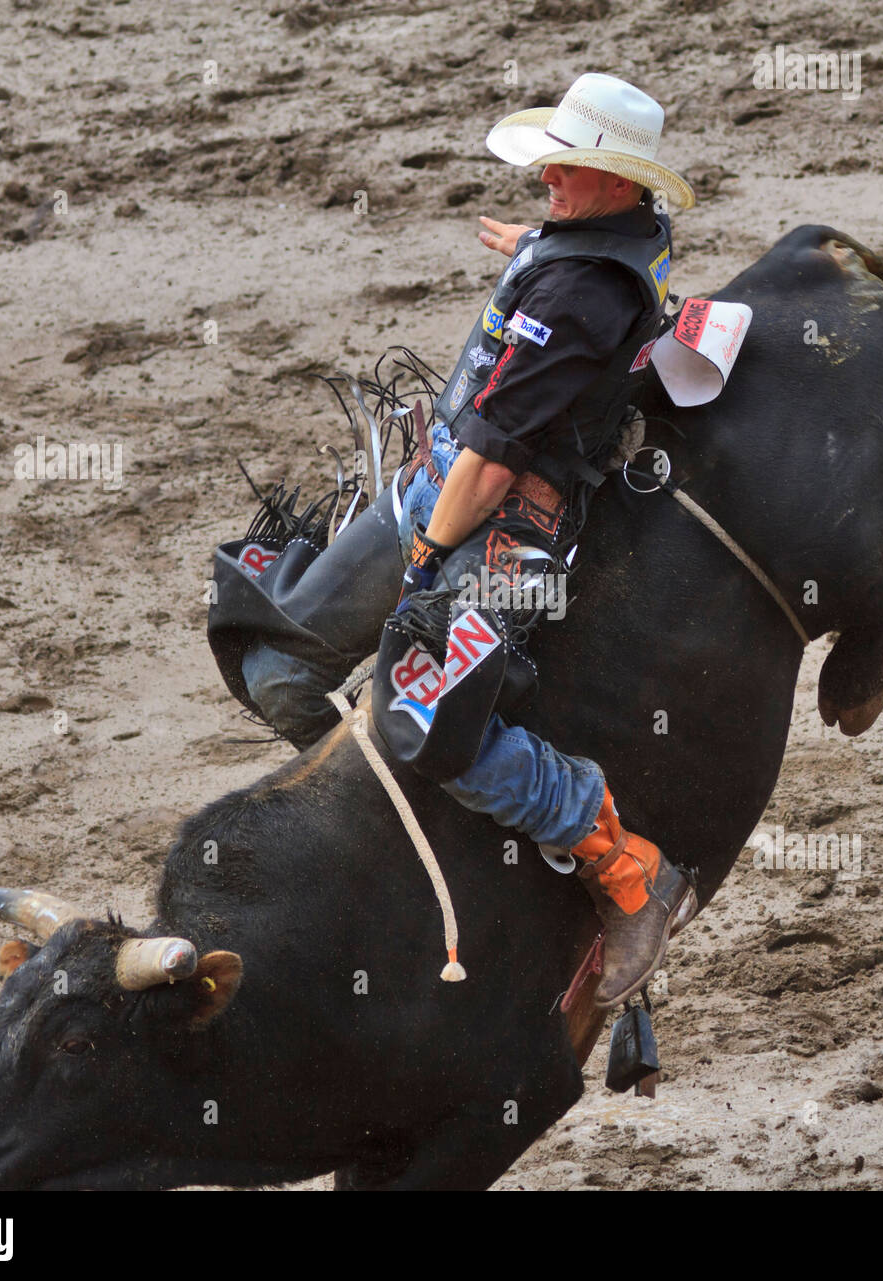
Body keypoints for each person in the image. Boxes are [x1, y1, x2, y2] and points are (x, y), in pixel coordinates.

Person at [212, 73, 697, 1006]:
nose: (548, 173)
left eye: (571, 164)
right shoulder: (598, 244)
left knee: (428, 723)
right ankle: (397, 812)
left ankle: (629, 868)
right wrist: (536, 252)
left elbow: (494, 457)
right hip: (443, 481)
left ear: (622, 181)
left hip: (500, 524)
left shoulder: (580, 300)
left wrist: (428, 561)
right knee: (277, 664)